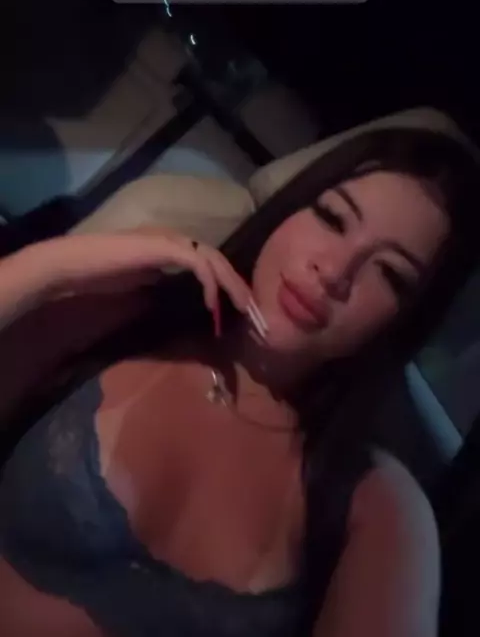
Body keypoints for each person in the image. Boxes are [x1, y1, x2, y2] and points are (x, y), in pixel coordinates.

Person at [0, 127, 479, 637]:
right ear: (293, 206)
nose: (334, 272)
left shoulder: (380, 504)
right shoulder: (128, 312)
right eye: (332, 217)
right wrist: (58, 266)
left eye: (390, 273)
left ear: (403, 321)